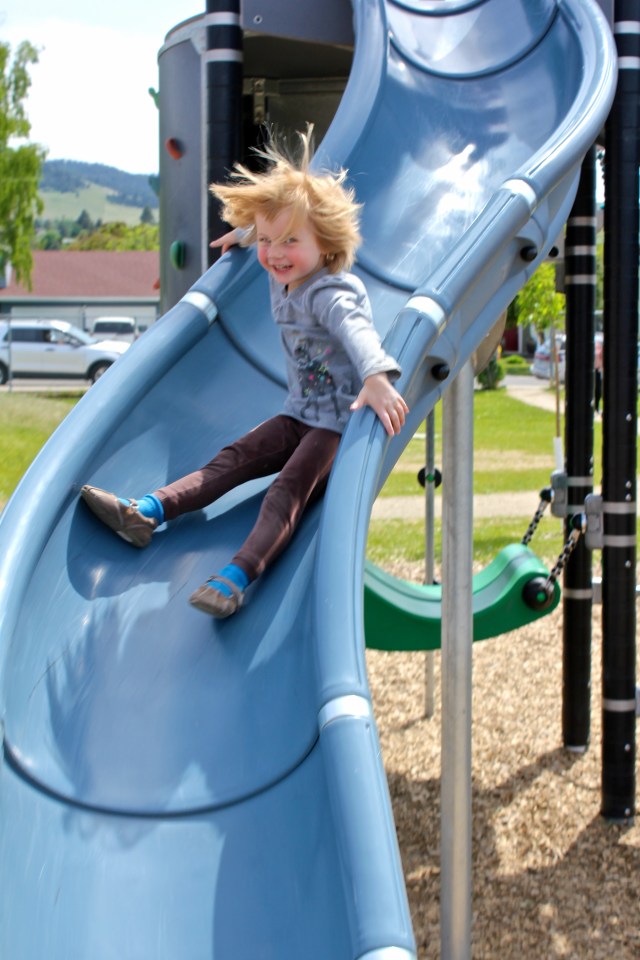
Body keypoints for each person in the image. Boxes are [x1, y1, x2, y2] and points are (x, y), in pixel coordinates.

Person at [81, 128, 408, 618]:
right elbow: (274, 231)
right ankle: (145, 512)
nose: (275, 253)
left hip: (337, 429)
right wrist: (247, 234)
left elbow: (359, 333)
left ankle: (236, 578)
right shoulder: (285, 269)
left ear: (327, 241)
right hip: (298, 415)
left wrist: (376, 376)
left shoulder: (329, 292)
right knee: (231, 460)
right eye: (269, 240)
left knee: (286, 490)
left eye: (290, 241)